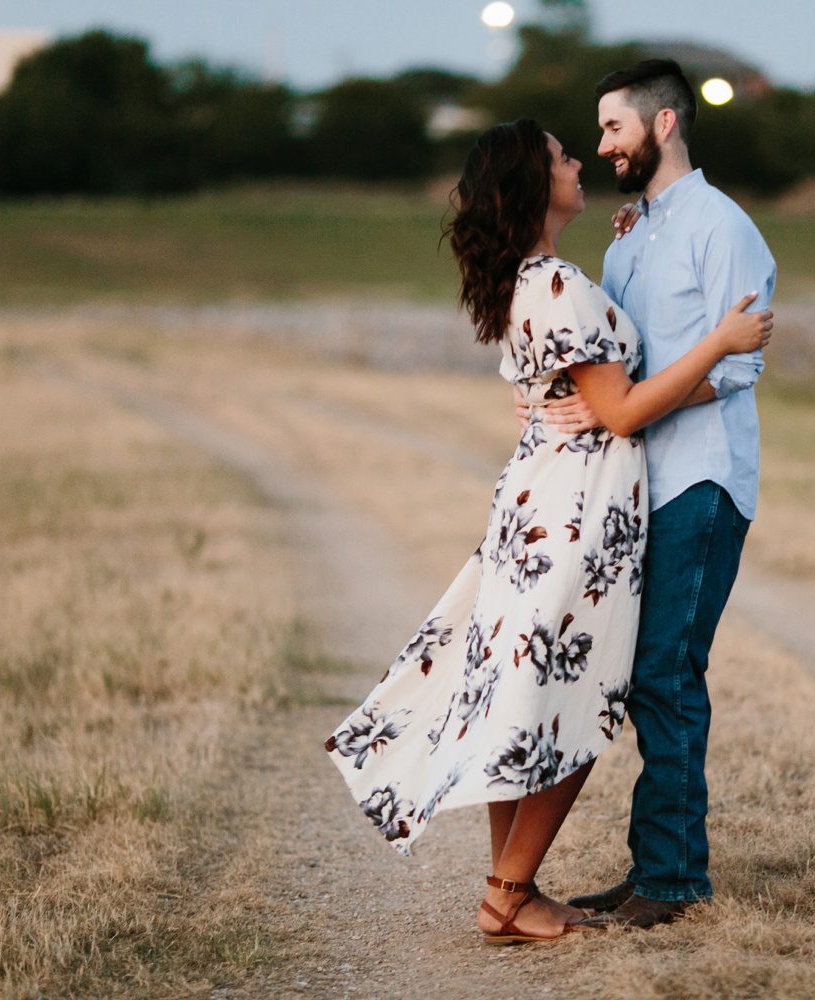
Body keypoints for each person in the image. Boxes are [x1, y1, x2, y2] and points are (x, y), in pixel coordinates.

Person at [323, 117, 772, 945]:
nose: (580, 160)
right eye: (565, 155)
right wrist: (722, 344)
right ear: (537, 185)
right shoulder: (558, 284)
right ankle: (509, 892)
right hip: (575, 519)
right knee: (575, 699)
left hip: (538, 505)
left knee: (523, 698)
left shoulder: (532, 280)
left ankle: (511, 892)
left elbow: (563, 392)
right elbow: (624, 411)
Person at [540, 59, 778, 930]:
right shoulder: (627, 236)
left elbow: (738, 366)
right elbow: (624, 366)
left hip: (701, 479)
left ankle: (675, 882)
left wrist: (631, 416)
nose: (603, 145)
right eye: (599, 133)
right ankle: (656, 867)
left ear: (664, 124)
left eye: (613, 128)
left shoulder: (722, 227)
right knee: (643, 677)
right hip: (641, 485)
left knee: (667, 674)